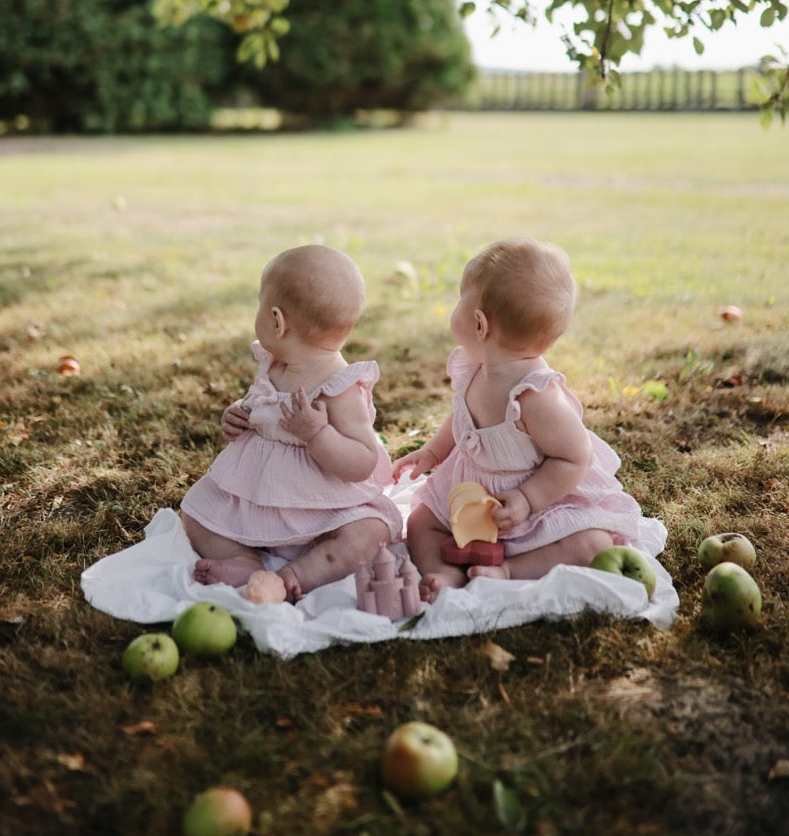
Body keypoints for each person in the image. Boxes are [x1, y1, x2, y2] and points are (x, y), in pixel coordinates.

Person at [392, 238, 660, 603]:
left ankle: (507, 571)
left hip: (535, 511)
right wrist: (433, 452)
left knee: (590, 543)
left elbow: (574, 456)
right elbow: (462, 419)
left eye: (460, 298)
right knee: (421, 520)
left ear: (480, 324)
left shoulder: (535, 397)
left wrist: (527, 499)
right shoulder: (474, 369)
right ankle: (445, 573)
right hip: (470, 497)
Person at [182, 244, 401, 602]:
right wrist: (239, 414)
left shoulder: (339, 387)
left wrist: (317, 434)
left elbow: (363, 462)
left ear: (277, 321)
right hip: (260, 492)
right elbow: (261, 408)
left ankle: (296, 575)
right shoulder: (274, 367)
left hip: (326, 506)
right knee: (197, 512)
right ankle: (243, 560)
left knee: (369, 533)